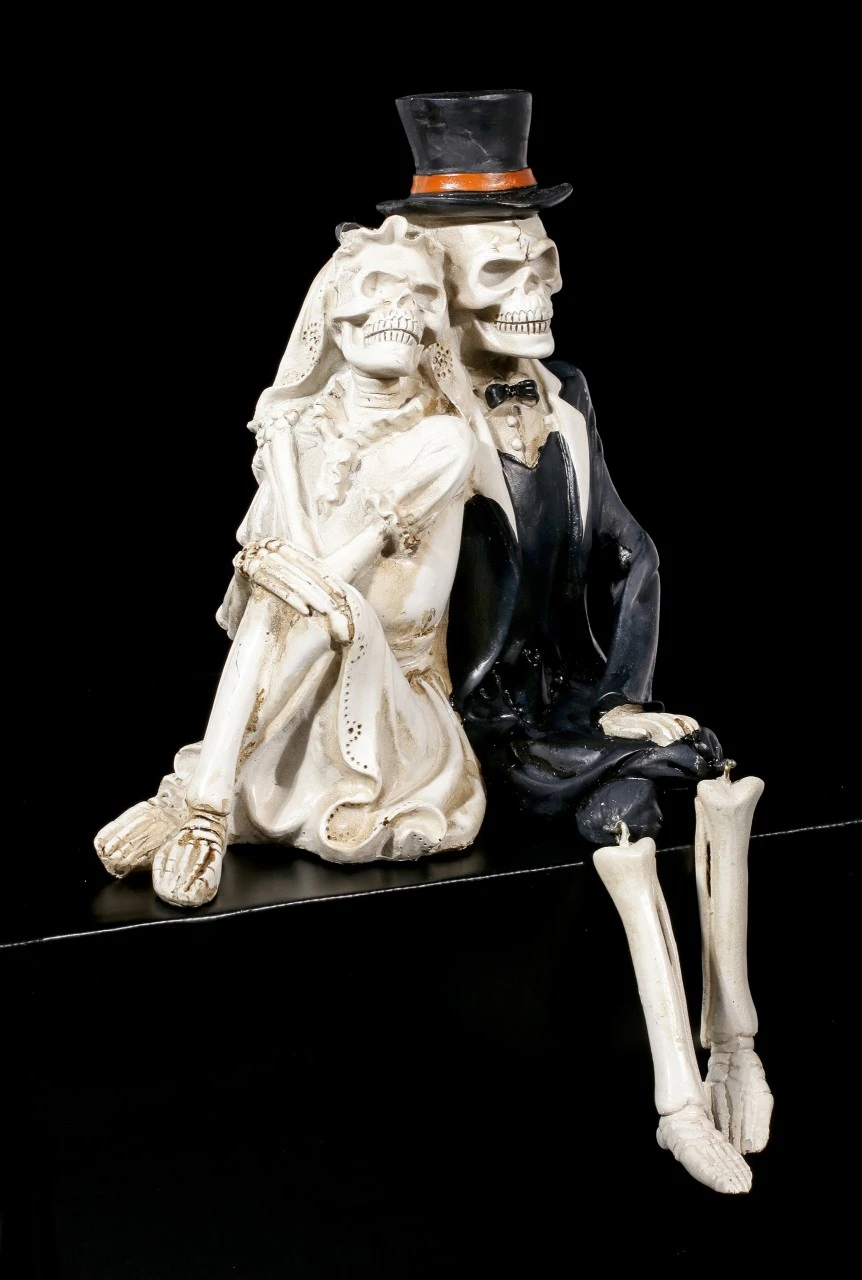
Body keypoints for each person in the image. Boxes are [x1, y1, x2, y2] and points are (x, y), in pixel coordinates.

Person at [376, 89, 773, 1193]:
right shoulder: (417, 430)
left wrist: (622, 697)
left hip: (575, 696)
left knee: (683, 779)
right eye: (502, 271)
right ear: (435, 287)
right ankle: (683, 1092)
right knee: (639, 806)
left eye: (543, 264)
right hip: (479, 724)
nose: (539, 291)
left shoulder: (570, 398)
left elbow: (633, 553)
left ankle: (729, 1048)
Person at [95, 216, 485, 907]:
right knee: (291, 598)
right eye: (376, 288)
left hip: (391, 687)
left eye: (421, 295)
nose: (400, 308)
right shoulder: (299, 429)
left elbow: (342, 576)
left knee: (302, 598)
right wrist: (285, 484)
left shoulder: (444, 441)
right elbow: (287, 571)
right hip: (293, 666)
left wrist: (294, 558)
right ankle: (212, 803)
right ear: (334, 320)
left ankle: (200, 805)